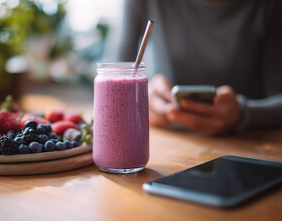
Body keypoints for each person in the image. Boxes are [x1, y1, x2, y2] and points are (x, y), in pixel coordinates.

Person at [117, 0, 282, 135]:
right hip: (170, 140)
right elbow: (114, 78)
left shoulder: (270, 6)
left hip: (250, 145)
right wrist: (142, 98)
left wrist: (243, 114)